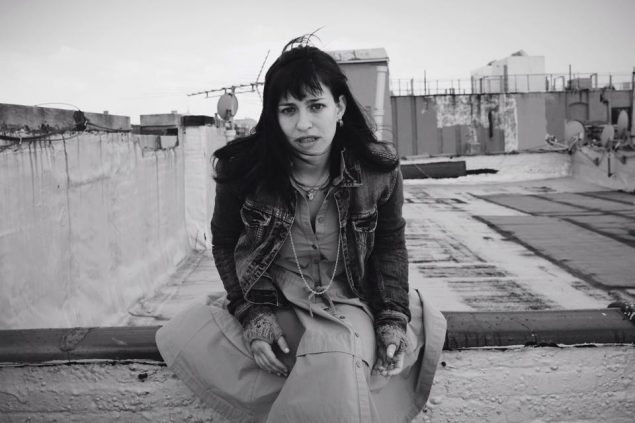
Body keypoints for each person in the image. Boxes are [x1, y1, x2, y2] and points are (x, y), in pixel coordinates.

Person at [156, 36, 446, 423]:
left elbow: (389, 247)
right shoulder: (244, 171)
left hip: (351, 298)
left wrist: (392, 318)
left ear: (339, 107)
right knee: (319, 361)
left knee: (339, 351)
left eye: (316, 106)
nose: (303, 123)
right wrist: (253, 315)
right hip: (276, 299)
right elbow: (225, 244)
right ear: (273, 116)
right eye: (288, 110)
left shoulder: (378, 171)